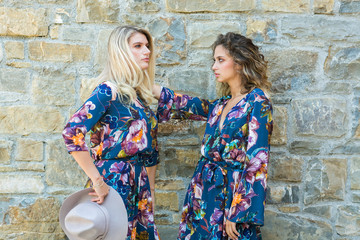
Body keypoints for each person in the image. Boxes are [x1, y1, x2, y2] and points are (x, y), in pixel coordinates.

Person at [153, 32, 273, 240]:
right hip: (203, 192)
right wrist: (145, 85)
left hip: (231, 196)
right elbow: (187, 104)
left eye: (220, 60)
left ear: (239, 63)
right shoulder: (220, 105)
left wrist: (238, 211)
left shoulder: (257, 102)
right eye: (214, 60)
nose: (213, 67)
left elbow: (257, 162)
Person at [62, 25, 160, 240]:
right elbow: (72, 132)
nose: (147, 51)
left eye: (147, 46)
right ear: (121, 52)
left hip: (139, 186)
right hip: (114, 183)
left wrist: (149, 191)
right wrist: (97, 181)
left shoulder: (138, 97)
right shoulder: (108, 91)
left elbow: (151, 152)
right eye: (138, 46)